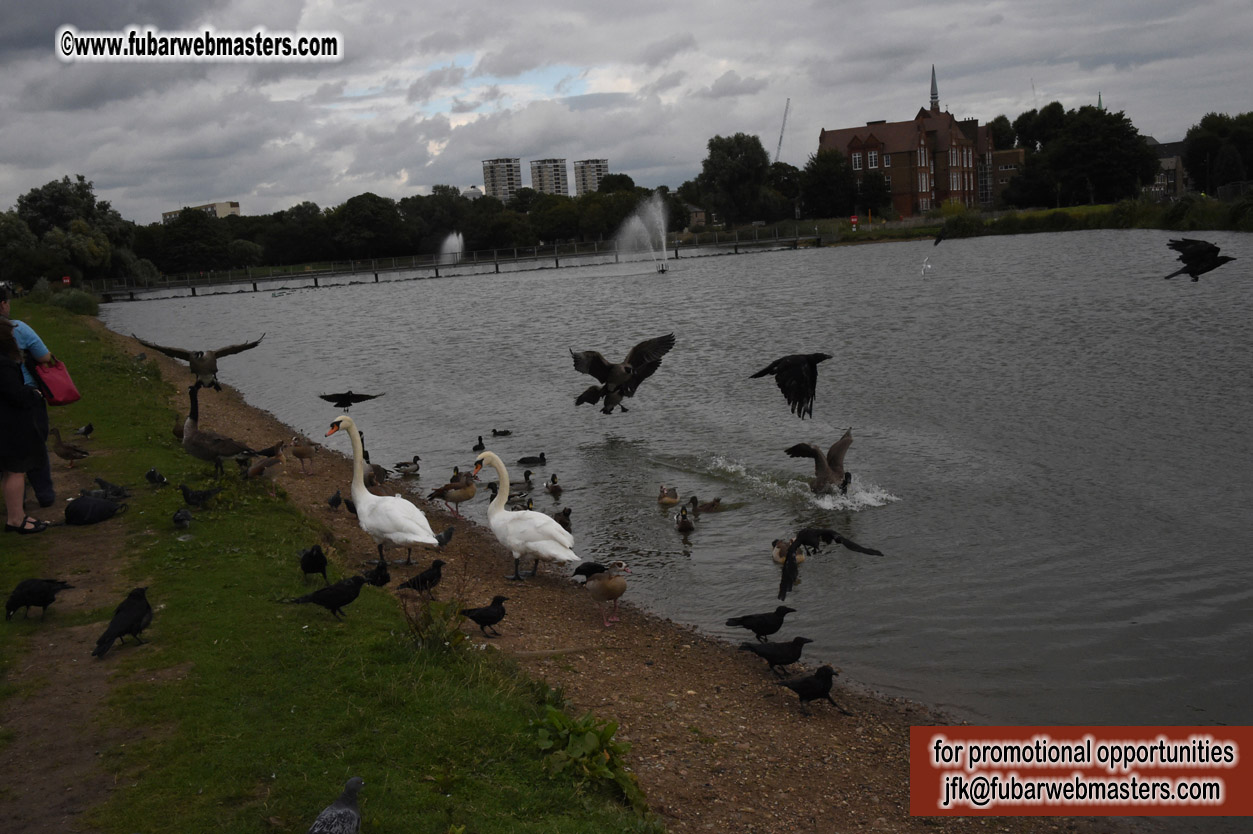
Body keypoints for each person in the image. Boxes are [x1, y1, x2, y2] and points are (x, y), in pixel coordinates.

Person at [0, 284, 55, 508]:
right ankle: (44, 494)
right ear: (3, 304)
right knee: (35, 446)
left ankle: (15, 502)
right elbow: (44, 357)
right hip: (24, 396)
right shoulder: (18, 328)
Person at [0, 320, 49, 533]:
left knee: (9, 472)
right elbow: (15, 394)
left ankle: (17, 515)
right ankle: (16, 519)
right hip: (10, 424)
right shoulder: (4, 364)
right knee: (16, 471)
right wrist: (34, 394)